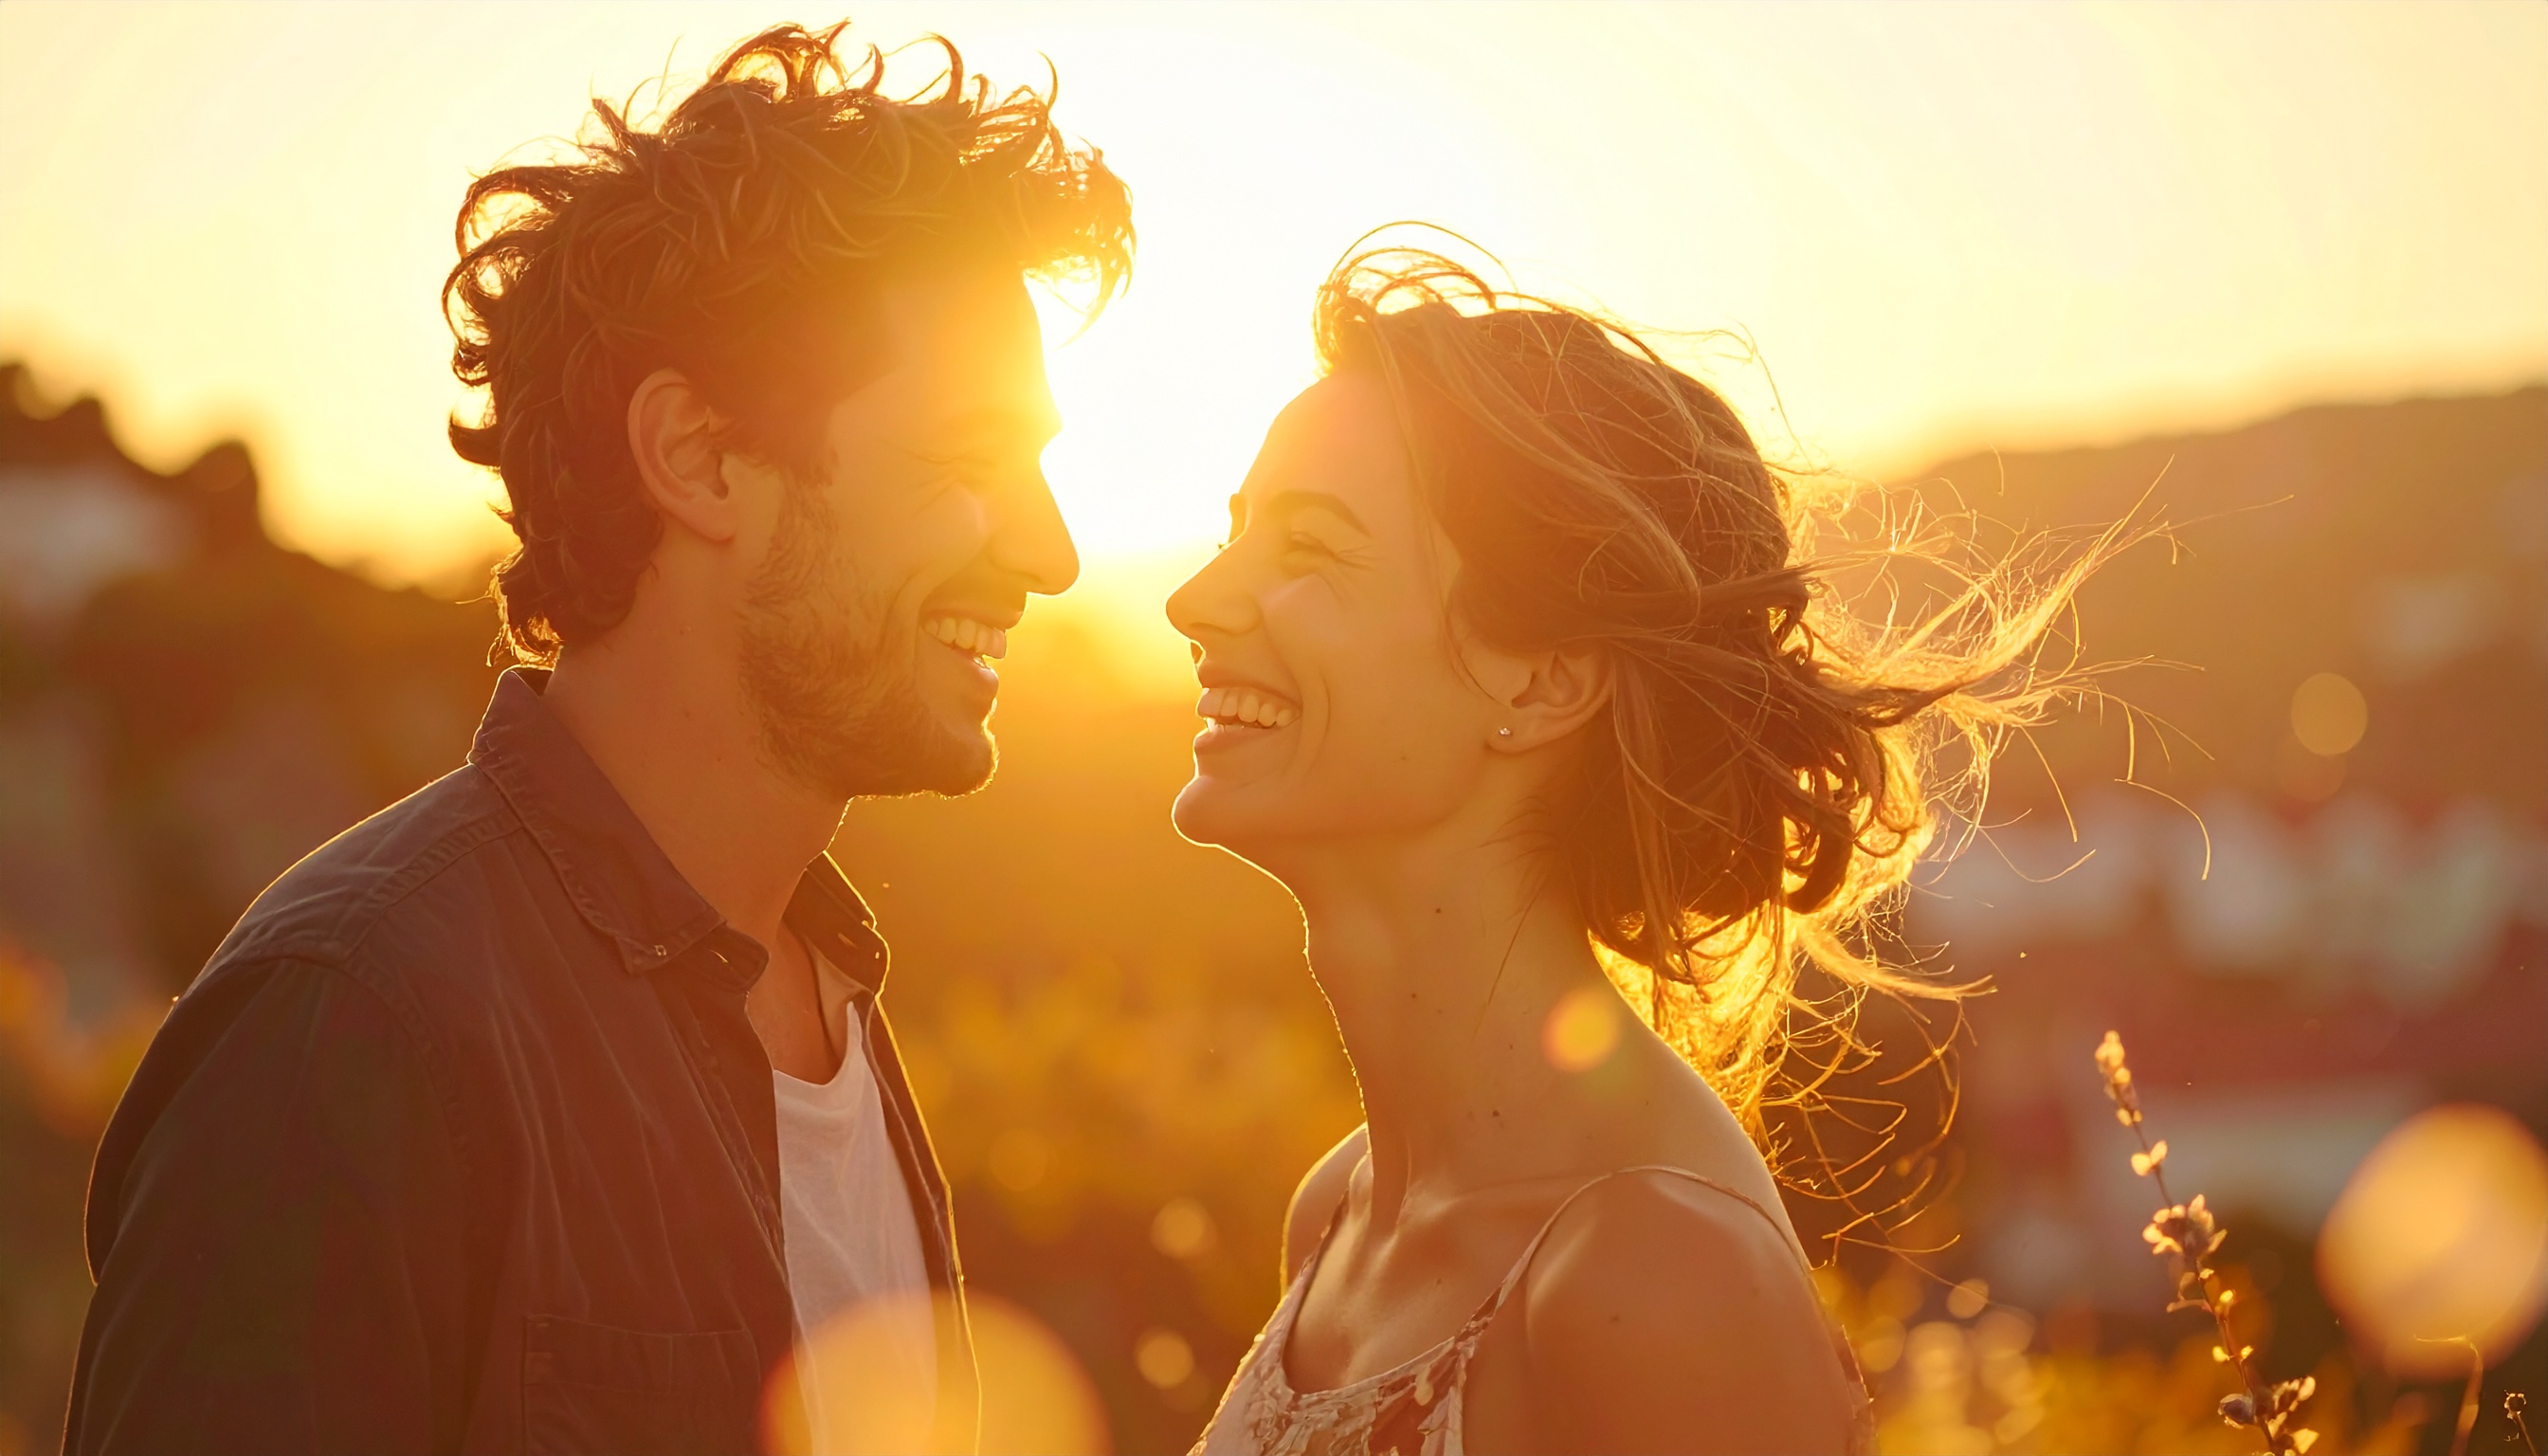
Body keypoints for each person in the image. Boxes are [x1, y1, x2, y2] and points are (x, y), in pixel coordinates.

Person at [63, 24, 1130, 1456]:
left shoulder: (835, 1008)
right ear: (695, 459)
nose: (1051, 553)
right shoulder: (359, 1027)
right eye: (967, 462)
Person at [1172, 247, 2100, 1455]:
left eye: (1309, 549)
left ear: (1547, 679)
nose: (1197, 599)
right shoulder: (1340, 1217)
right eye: (1238, 534)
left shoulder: (1659, 1279)